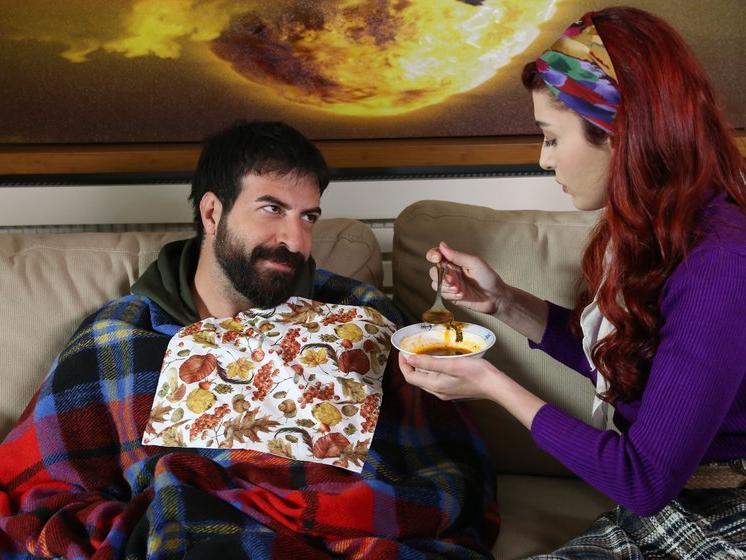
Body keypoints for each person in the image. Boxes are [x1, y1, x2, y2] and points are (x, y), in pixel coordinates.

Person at [0, 121, 499, 558]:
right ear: (212, 212)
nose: (295, 240)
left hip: (335, 533)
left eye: (308, 216)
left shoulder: (360, 315)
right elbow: (44, 490)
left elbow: (444, 463)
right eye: (272, 209)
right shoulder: (121, 335)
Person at [400, 7, 746, 559]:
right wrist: (504, 302)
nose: (543, 159)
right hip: (675, 504)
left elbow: (643, 480)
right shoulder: (655, 229)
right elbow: (630, 367)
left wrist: (492, 384)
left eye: (551, 138)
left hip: (723, 515)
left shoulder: (721, 262)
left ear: (618, 133)